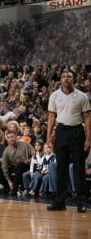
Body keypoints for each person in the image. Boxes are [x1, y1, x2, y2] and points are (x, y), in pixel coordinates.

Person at [47, 69, 90, 213]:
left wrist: (89, 138)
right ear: (60, 79)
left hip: (77, 132)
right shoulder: (54, 95)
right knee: (61, 168)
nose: (66, 79)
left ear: (74, 79)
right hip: (61, 132)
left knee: (79, 168)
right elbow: (51, 117)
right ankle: (60, 201)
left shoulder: (82, 96)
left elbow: (88, 118)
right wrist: (48, 137)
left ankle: (81, 202)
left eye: (69, 76)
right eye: (64, 76)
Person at [1, 130, 33, 196]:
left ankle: (14, 189)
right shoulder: (6, 150)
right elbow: (4, 166)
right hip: (15, 167)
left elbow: (35, 156)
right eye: (9, 137)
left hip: (27, 166)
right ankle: (2, 186)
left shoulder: (26, 145)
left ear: (16, 137)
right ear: (7, 139)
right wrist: (9, 181)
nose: (10, 139)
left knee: (20, 164)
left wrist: (29, 160)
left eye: (12, 137)